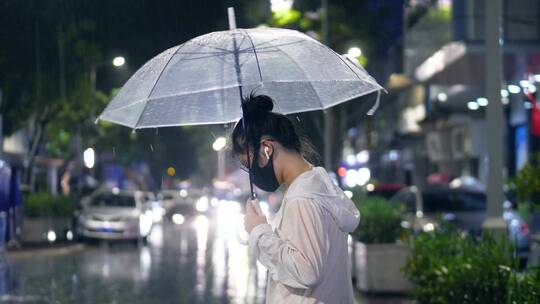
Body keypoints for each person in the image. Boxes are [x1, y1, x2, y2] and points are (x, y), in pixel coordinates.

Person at [231, 93, 361, 303]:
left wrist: (260, 233)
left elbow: (307, 271)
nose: (251, 173)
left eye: (249, 164)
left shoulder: (302, 198)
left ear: (266, 148)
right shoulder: (316, 184)